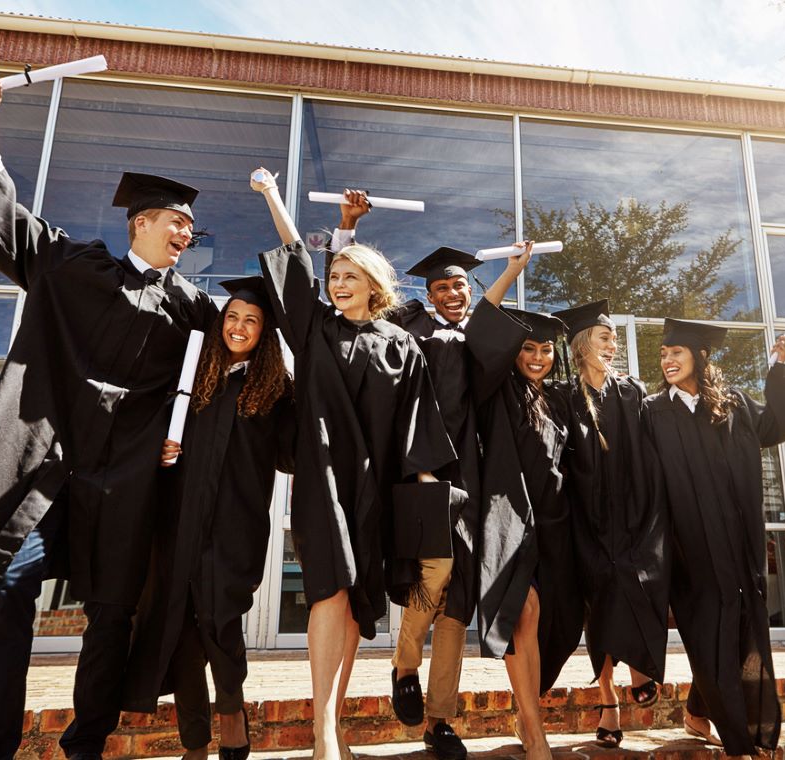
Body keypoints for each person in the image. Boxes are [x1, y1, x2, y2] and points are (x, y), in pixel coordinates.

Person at [0, 71, 219, 760]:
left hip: (126, 478)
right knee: (9, 595)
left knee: (112, 614)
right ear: (140, 222)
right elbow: (4, 213)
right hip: (45, 463)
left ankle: (85, 744)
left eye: (190, 225)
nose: (187, 231)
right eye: (176, 220)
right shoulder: (72, 267)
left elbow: (257, 344)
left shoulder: (196, 311)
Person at [249, 168, 456, 760]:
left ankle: (333, 722)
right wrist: (272, 197)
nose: (337, 283)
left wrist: (425, 502)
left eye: (348, 276)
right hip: (322, 479)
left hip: (378, 488)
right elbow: (292, 258)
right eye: (334, 275)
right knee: (327, 593)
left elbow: (419, 427)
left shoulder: (402, 344)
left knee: (358, 597)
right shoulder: (313, 328)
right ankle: (322, 732)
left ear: (374, 285)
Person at [330, 200, 483, 760]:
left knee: (457, 595)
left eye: (459, 285)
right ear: (429, 293)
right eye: (441, 286)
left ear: (469, 289)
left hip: (472, 468)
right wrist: (349, 231)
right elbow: (350, 310)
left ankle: (440, 720)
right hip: (415, 465)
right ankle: (404, 660)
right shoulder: (406, 323)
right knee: (431, 570)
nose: (451, 293)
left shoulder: (483, 333)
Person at [642, 319, 785, 759]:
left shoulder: (732, 405)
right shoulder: (651, 412)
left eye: (677, 352)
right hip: (687, 549)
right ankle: (738, 742)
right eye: (664, 354)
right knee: (708, 628)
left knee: (740, 629)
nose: (668, 360)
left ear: (699, 357)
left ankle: (697, 709)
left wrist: (779, 370)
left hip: (737, 544)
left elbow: (775, 426)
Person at [122, 277, 295, 759]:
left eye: (252, 320)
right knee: (178, 627)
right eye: (232, 317)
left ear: (265, 333)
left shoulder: (277, 391)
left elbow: (292, 456)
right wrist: (159, 447)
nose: (239, 327)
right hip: (178, 520)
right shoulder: (193, 378)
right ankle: (195, 741)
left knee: (219, 621)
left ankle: (232, 711)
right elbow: (152, 430)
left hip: (234, 525)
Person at [472, 249, 584, 760]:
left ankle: (527, 712)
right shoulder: (495, 389)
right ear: (513, 351)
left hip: (554, 523)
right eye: (528, 348)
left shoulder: (557, 401)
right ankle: (534, 730)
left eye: (545, 350)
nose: (537, 357)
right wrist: (513, 271)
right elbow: (482, 328)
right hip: (508, 516)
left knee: (544, 618)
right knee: (523, 609)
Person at [551, 300, 667, 748]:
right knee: (595, 598)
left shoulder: (631, 392)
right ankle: (607, 700)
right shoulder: (562, 395)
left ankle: (638, 664)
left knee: (632, 582)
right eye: (605, 338)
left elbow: (647, 455)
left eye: (615, 338)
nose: (613, 345)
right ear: (583, 345)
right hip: (583, 518)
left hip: (629, 512)